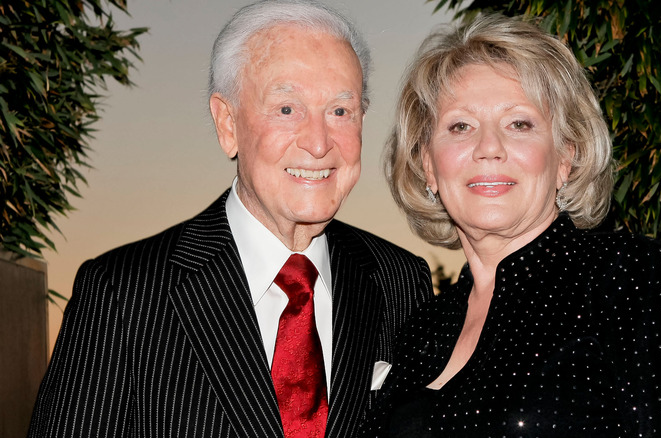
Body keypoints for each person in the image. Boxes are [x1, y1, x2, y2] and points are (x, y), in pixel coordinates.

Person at [28, 1, 433, 437]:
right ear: (227, 124)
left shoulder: (400, 280)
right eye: (286, 109)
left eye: (339, 111)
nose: (318, 142)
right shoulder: (122, 292)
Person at [361, 14, 661, 437]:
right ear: (428, 165)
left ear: (565, 157)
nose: (489, 148)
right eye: (460, 126)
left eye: (519, 124)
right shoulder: (422, 329)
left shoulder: (630, 281)